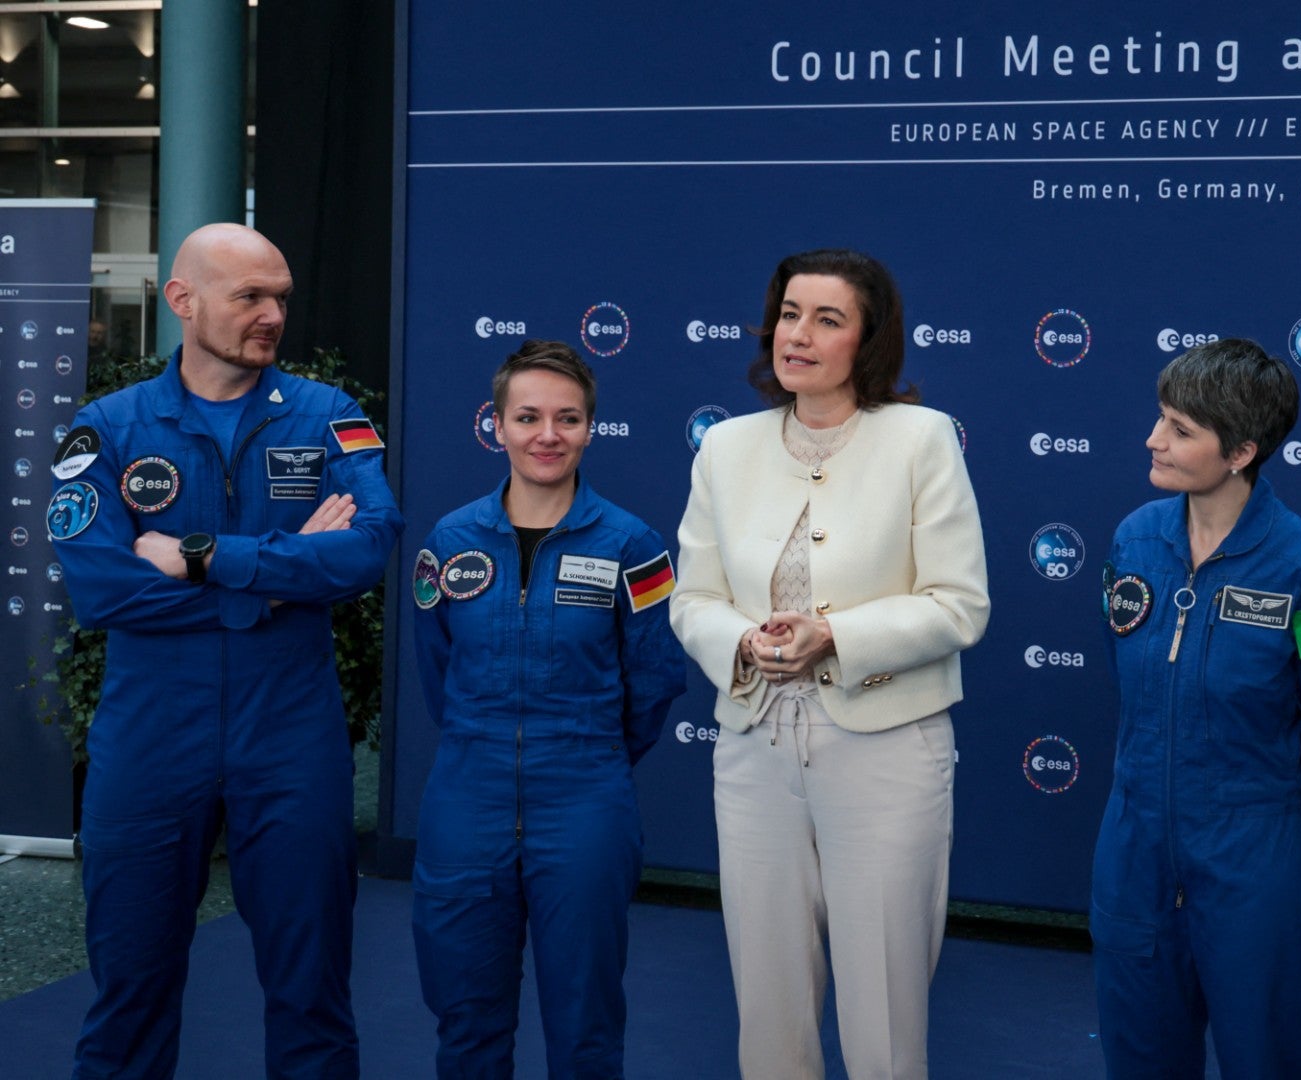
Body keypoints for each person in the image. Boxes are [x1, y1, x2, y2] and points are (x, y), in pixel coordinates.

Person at [51, 223, 401, 1078]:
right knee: (129, 989)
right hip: (149, 739)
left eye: (280, 295)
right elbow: (102, 590)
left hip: (291, 737)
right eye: (250, 296)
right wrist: (279, 588)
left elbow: (367, 549)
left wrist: (205, 559)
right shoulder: (108, 429)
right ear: (183, 301)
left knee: (312, 991)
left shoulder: (330, 417)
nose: (272, 314)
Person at [669, 248, 989, 1080]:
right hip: (753, 747)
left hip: (886, 748)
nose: (798, 335)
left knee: (884, 1010)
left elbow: (960, 604)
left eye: (827, 319)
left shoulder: (920, 440)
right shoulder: (726, 448)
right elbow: (691, 598)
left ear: (869, 341)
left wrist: (833, 637)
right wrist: (744, 643)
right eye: (788, 313)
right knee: (768, 1002)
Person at [1091, 339, 1301, 1078]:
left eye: (1182, 430)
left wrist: (1251, 801)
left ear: (1243, 450)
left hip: (1256, 861)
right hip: (1134, 851)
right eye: (1160, 419)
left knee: (1267, 1061)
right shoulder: (1134, 541)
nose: (1154, 439)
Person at [410, 340, 686, 1078]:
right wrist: (488, 744)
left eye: (567, 418)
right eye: (527, 416)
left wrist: (587, 754)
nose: (547, 435)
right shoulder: (449, 541)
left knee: (585, 1020)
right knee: (465, 1017)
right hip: (467, 794)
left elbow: (654, 682)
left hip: (586, 796)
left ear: (590, 429)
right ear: (495, 425)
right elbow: (437, 669)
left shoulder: (636, 546)